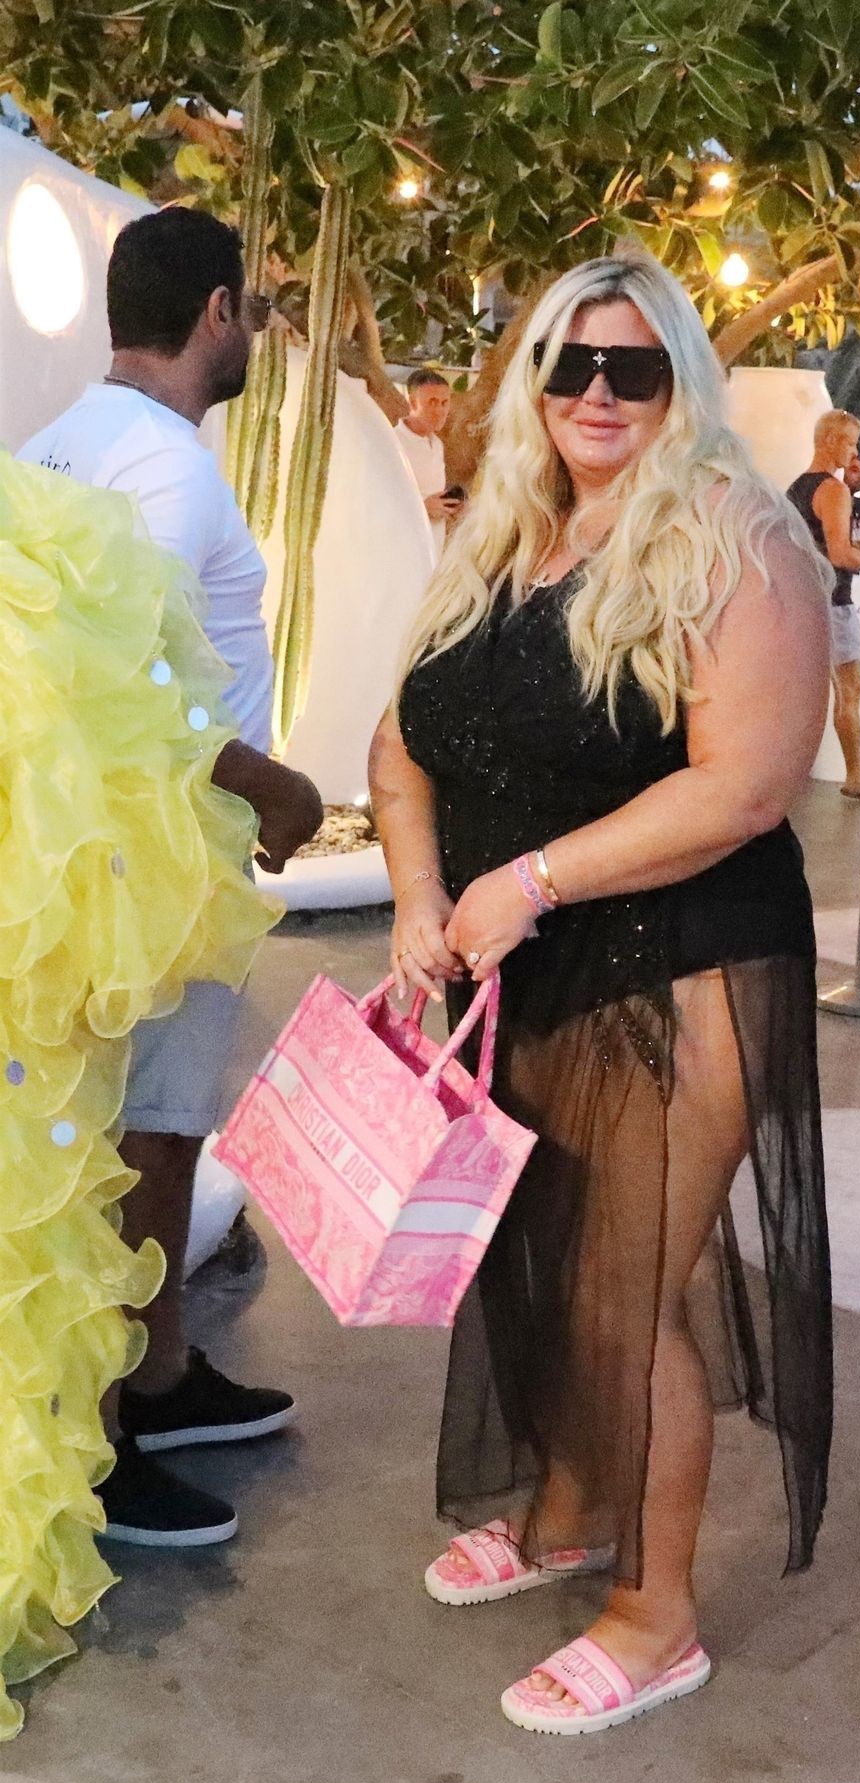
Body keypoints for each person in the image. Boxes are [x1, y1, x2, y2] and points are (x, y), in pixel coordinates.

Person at [370, 252, 835, 1736]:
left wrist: (533, 879)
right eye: (568, 364)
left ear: (680, 382)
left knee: (622, 1292)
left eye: (633, 368)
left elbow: (745, 787)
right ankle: (570, 1511)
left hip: (678, 956)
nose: (596, 394)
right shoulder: (506, 531)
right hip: (526, 963)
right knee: (539, 1260)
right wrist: (419, 896)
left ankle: (656, 1615)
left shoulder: (737, 537)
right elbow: (403, 747)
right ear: (531, 380)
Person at [20, 208, 323, 1548]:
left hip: (102, 864)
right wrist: (276, 788)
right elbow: (127, 682)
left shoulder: (62, 443)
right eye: (249, 310)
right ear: (216, 311)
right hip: (156, 868)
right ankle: (108, 1438)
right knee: (138, 1139)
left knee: (152, 1128)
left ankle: (160, 1376)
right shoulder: (167, 472)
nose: (251, 331)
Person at [0, 449, 280, 1737]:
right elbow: (141, 720)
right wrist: (275, 794)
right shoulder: (68, 527)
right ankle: (96, 1459)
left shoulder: (50, 518)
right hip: (32, 982)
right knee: (44, 1233)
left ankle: (103, 1440)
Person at [786, 412, 860, 799]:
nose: (854, 453)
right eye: (851, 443)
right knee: (849, 690)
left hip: (803, 601)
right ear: (831, 442)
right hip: (833, 602)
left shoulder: (796, 488)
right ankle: (855, 772)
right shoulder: (833, 490)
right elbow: (840, 552)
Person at [397, 369, 461, 547]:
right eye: (432, 402)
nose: (439, 410)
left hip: (433, 549)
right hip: (404, 549)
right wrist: (422, 508)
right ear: (412, 402)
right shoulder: (394, 444)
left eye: (444, 403)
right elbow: (378, 501)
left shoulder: (437, 445)